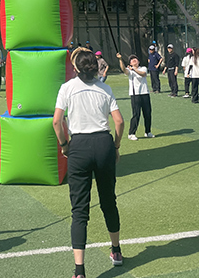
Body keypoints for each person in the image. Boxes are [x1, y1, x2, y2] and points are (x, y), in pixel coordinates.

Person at [53, 48, 125, 278]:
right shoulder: (104, 88)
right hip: (103, 144)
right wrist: (116, 146)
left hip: (79, 146)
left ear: (75, 68)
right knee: (108, 200)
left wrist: (64, 145)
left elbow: (56, 121)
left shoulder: (67, 88)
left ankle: (79, 270)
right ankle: (116, 251)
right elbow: (119, 121)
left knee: (79, 210)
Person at [117, 52, 152, 140]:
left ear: (138, 61)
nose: (134, 60)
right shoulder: (129, 71)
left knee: (147, 113)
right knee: (136, 114)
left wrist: (134, 69)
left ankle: (148, 132)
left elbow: (143, 74)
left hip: (145, 93)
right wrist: (120, 59)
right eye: (132, 59)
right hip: (135, 95)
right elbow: (123, 69)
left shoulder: (143, 68)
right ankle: (131, 133)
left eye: (135, 59)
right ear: (130, 63)